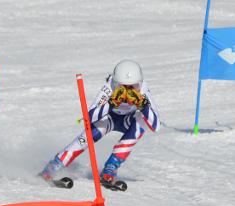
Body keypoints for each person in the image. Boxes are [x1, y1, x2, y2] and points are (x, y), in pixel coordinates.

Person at [39, 60, 161, 191]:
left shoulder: (143, 91)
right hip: (109, 119)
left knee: (141, 122)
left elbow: (155, 126)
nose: (128, 91)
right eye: (123, 86)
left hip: (128, 121)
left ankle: (110, 169)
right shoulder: (109, 88)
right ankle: (52, 167)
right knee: (89, 135)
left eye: (134, 86)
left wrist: (143, 106)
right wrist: (111, 104)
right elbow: (89, 118)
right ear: (115, 83)